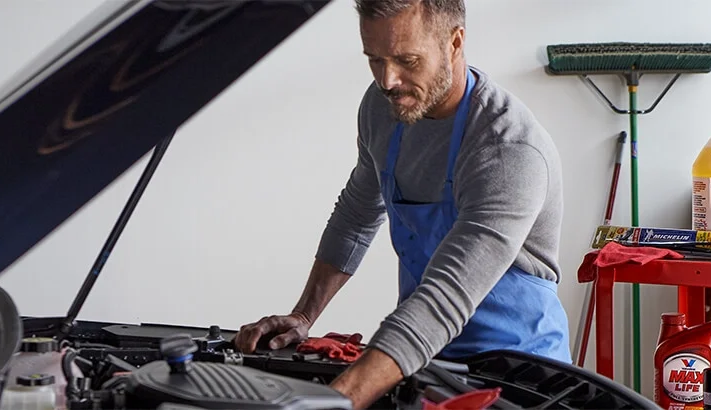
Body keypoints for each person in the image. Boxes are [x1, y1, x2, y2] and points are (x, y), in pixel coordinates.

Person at [234, 0, 570, 407]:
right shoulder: (383, 108)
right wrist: (304, 315)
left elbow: (446, 296)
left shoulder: (507, 149)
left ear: (455, 42)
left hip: (522, 378)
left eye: (407, 60)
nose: (388, 79)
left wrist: (338, 401)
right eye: (374, 59)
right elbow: (356, 215)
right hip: (429, 361)